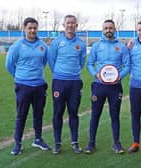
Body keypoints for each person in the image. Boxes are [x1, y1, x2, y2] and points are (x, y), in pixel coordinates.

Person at [5, 17, 50, 155]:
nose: (32, 30)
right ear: (24, 28)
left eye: (35, 28)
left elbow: (44, 63)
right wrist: (20, 77)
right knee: (21, 115)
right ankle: (18, 143)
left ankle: (37, 139)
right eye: (29, 28)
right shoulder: (17, 46)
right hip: (23, 86)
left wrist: (35, 76)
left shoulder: (43, 46)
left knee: (38, 114)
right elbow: (9, 65)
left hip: (39, 86)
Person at [85, 19, 130, 154]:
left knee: (115, 115)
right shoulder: (96, 46)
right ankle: (91, 143)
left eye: (110, 28)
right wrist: (96, 74)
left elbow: (127, 65)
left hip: (115, 87)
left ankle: (116, 143)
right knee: (95, 115)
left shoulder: (121, 47)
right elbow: (89, 64)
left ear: (114, 29)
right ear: (102, 30)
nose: (108, 30)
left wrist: (119, 76)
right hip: (99, 85)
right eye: (106, 28)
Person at [48, 14, 86, 154]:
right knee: (58, 112)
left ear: (76, 26)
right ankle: (57, 143)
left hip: (75, 82)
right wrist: (59, 73)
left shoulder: (80, 44)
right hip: (59, 82)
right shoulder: (56, 43)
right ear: (64, 25)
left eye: (73, 23)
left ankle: (74, 142)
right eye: (68, 23)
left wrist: (72, 73)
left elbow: (81, 63)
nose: (70, 25)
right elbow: (51, 61)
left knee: (73, 112)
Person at [127, 20, 141, 153]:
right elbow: (126, 63)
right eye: (139, 30)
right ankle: (135, 143)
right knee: (135, 115)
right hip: (135, 86)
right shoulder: (131, 45)